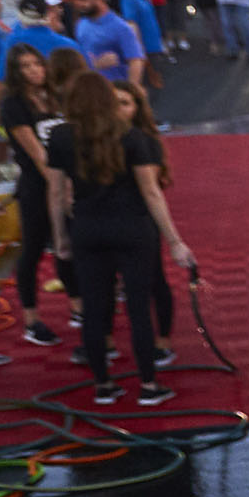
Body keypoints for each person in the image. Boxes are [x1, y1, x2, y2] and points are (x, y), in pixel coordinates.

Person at [49, 73, 195, 407]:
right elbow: (151, 192)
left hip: (86, 229)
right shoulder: (131, 137)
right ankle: (147, 384)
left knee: (95, 308)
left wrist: (60, 237)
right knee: (139, 308)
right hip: (132, 228)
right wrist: (174, 241)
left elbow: (56, 192)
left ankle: (103, 385)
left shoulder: (60, 137)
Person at [0, 42, 72, 344]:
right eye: (25, 66)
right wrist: (60, 189)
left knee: (68, 245)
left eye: (36, 64)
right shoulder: (13, 105)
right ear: (16, 72)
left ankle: (77, 306)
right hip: (37, 185)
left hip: (67, 181)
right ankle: (31, 319)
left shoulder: (56, 96)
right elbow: (36, 153)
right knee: (34, 249)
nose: (34, 71)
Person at [111, 80, 180, 367]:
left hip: (139, 223)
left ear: (137, 108)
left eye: (125, 103)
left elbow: (152, 192)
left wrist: (174, 240)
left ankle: (162, 341)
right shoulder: (94, 139)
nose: (117, 110)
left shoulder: (143, 141)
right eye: (113, 103)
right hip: (107, 223)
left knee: (153, 282)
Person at [72, 0, 147, 91]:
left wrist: (131, 90)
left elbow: (135, 60)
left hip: (114, 88)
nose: (79, 4)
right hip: (90, 88)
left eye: (83, 0)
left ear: (99, 0)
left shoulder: (120, 27)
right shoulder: (81, 23)